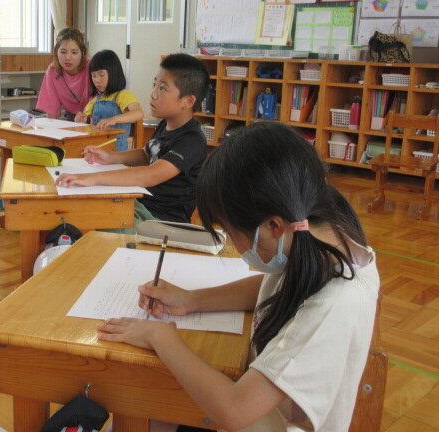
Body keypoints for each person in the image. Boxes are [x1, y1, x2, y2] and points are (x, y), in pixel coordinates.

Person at [96, 122, 380, 432]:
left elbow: (234, 410)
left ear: (273, 226)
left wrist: (160, 337)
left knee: (142, 400)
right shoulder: (321, 242)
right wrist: (192, 300)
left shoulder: (334, 304)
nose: (232, 242)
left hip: (265, 419)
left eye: (231, 232)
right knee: (148, 403)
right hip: (260, 404)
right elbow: (279, 284)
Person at [55, 53, 209, 226]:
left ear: (188, 101)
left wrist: (93, 178)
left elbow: (150, 175)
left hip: (161, 221)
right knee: (80, 210)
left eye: (162, 88)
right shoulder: (166, 124)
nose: (153, 94)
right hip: (140, 204)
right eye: (154, 85)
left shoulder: (192, 141)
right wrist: (110, 157)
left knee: (92, 222)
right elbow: (146, 154)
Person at [74, 49, 144, 152]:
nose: (97, 80)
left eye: (101, 75)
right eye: (93, 76)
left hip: (117, 153)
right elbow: (91, 125)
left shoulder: (123, 95)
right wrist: (82, 122)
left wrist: (115, 119)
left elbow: (138, 113)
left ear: (114, 73)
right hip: (96, 150)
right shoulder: (95, 100)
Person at [36, 27, 92, 121]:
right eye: (63, 52)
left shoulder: (92, 68)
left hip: (96, 116)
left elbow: (100, 104)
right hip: (71, 116)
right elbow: (52, 112)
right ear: (56, 52)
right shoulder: (53, 71)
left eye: (74, 52)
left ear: (82, 52)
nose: (68, 58)